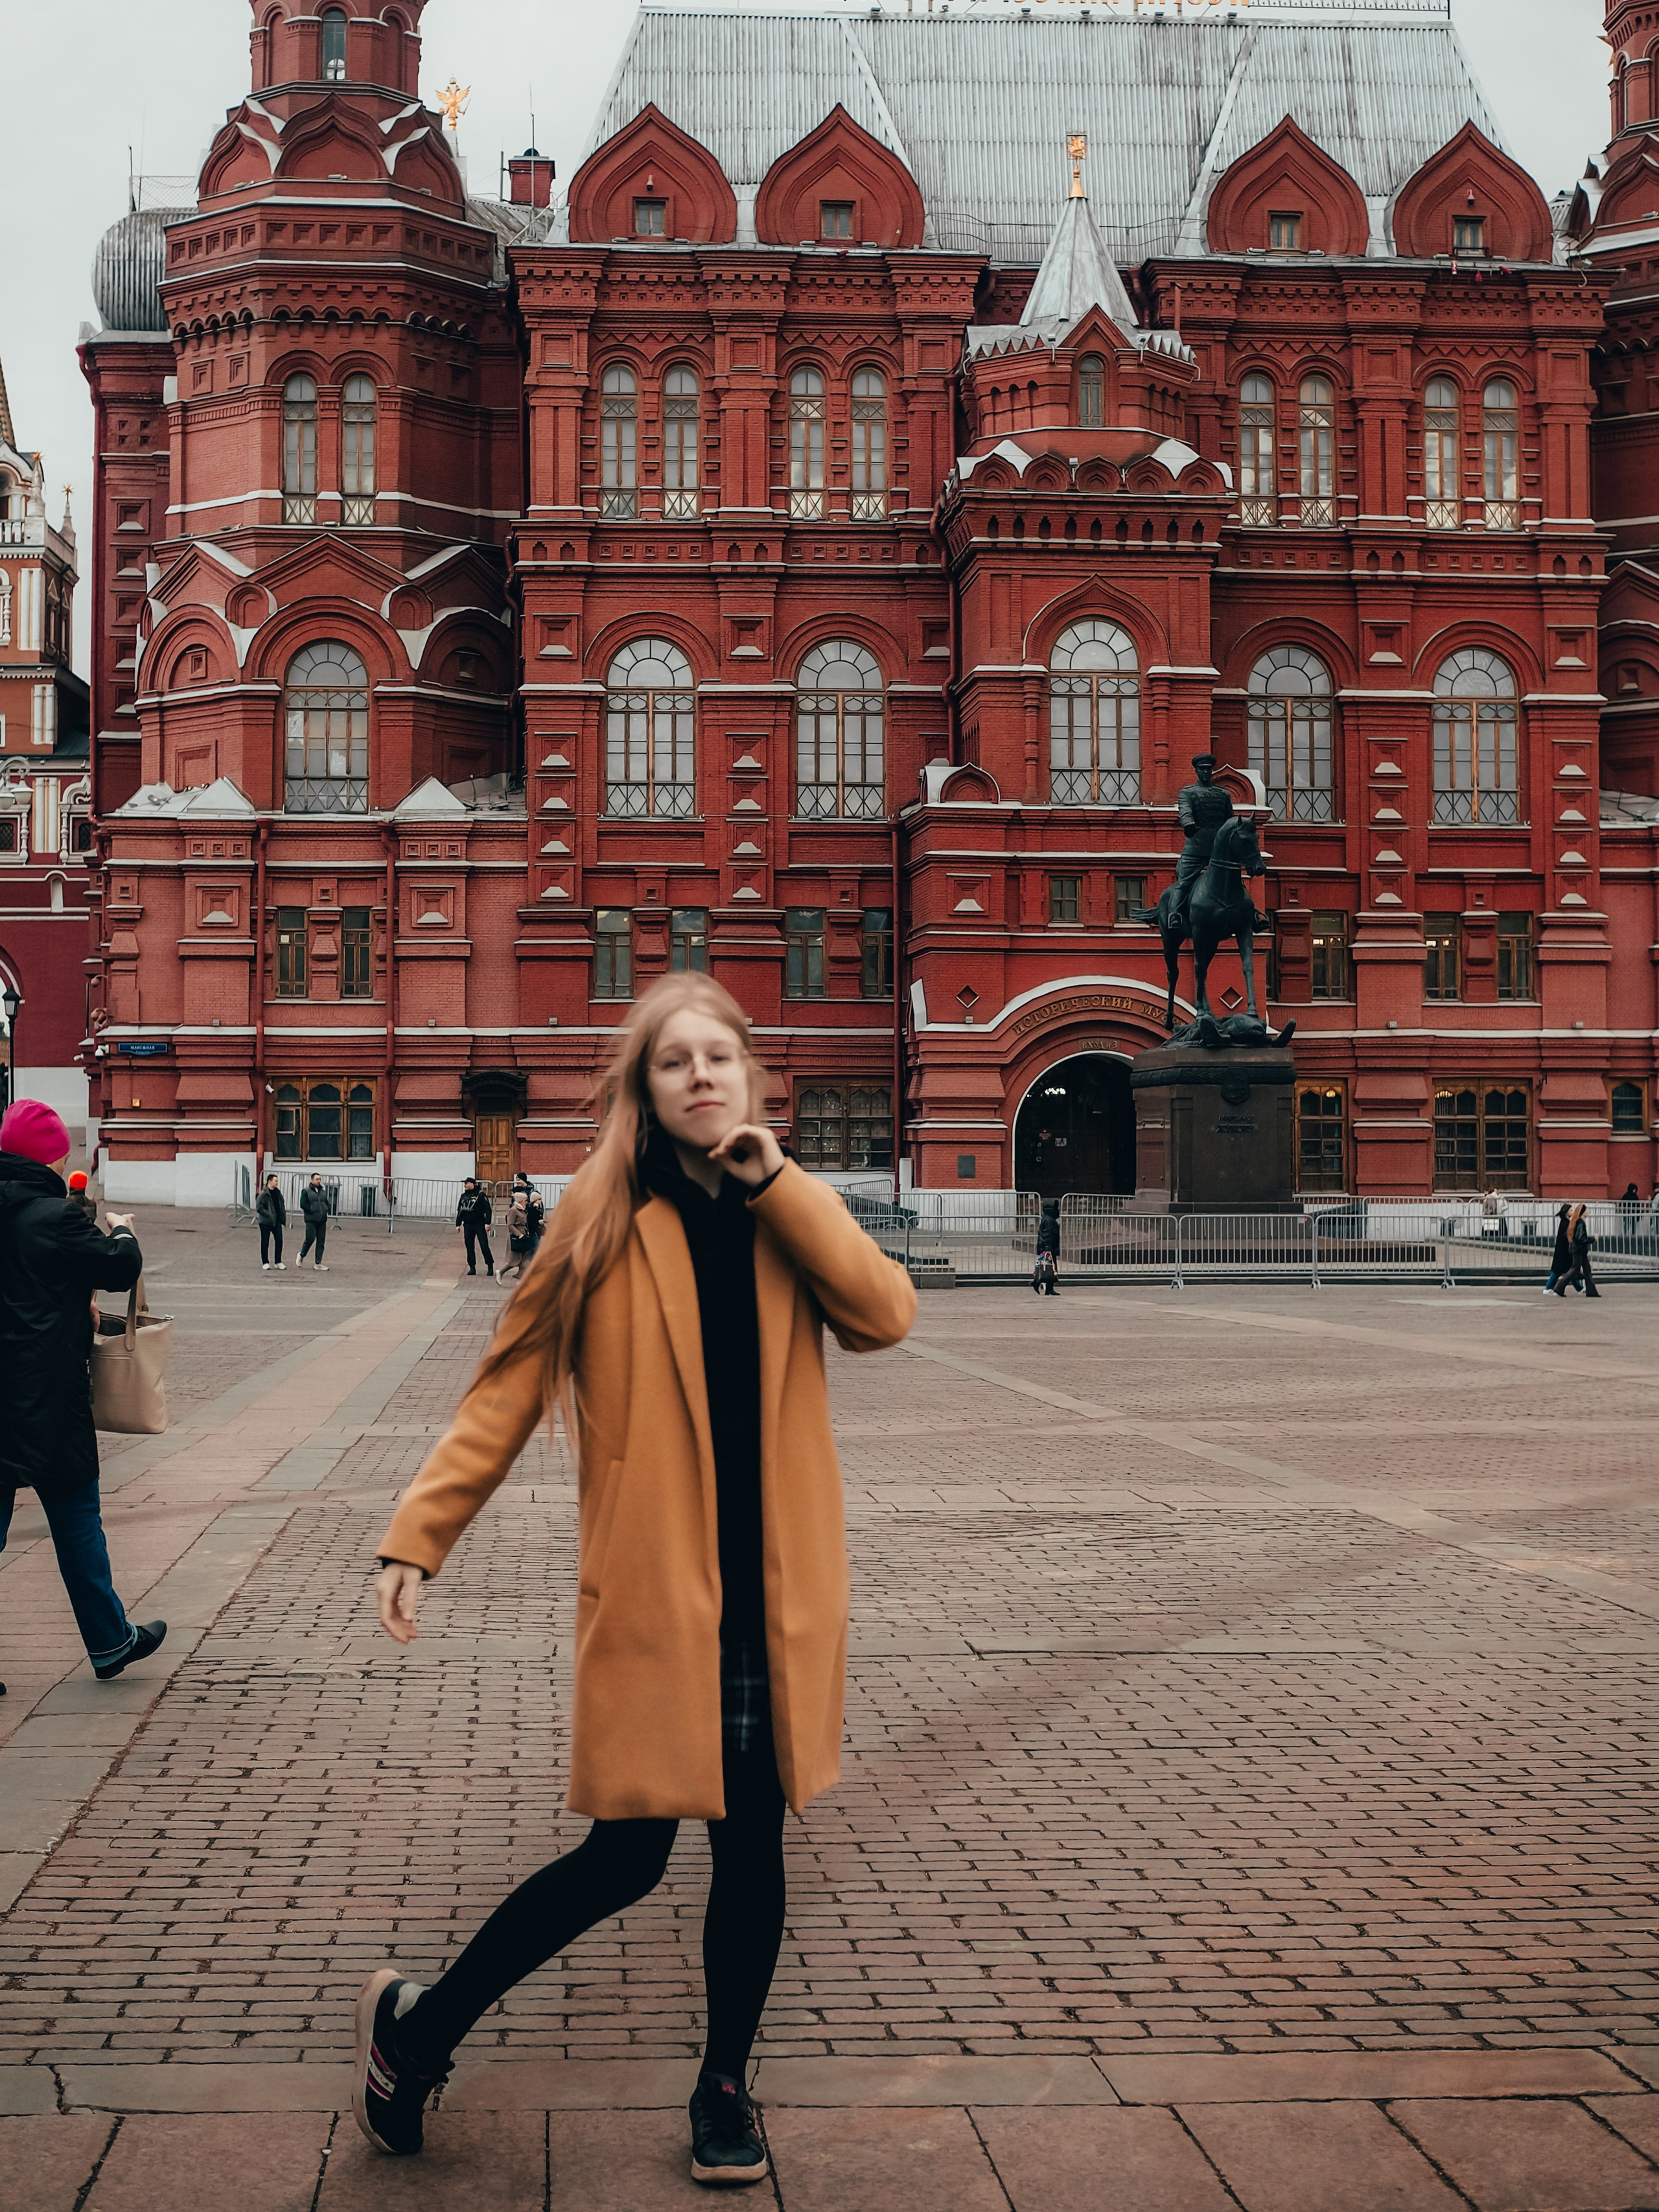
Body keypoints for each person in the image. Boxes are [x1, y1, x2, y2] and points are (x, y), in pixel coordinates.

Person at [354, 973, 916, 2182]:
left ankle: (724, 2085)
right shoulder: (598, 1224)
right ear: (642, 1091)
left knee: (754, 1843)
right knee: (626, 1856)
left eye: (722, 1057)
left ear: (755, 1080)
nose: (703, 1076)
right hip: (662, 1593)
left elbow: (886, 1314)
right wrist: (418, 1533)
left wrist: (780, 1182)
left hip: (775, 1594)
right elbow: (506, 1388)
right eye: (677, 1062)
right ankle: (421, 2030)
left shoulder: (788, 1209)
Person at [0, 1099, 167, 1688]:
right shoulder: (56, 1216)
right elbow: (118, 1267)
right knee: (76, 1525)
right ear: (53, 1155)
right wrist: (121, 1229)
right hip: (48, 1400)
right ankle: (109, 1641)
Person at [1168, 753, 1236, 934]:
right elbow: (1185, 812)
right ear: (1197, 771)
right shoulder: (1188, 792)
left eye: (1208, 769)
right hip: (1196, 847)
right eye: (1202, 769)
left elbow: (1230, 820)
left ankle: (1252, 916)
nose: (1205, 772)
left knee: (1235, 880)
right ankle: (1174, 914)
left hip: (1219, 849)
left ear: (1211, 771)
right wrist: (1188, 824)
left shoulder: (1223, 794)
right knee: (1184, 882)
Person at [1554, 1202, 1599, 1298]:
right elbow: (1581, 1239)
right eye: (1586, 1210)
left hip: (1579, 1250)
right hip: (1579, 1251)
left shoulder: (1577, 1222)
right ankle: (1559, 1287)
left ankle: (1591, 1292)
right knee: (1575, 1270)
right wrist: (1593, 1239)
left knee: (1587, 1270)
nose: (1588, 1212)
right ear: (1582, 1212)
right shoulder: (1580, 1223)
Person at [454, 1177, 494, 1277]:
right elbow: (461, 1211)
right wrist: (458, 1224)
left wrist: (487, 1223)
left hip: (479, 1224)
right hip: (468, 1224)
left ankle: (490, 1266)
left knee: (484, 1245)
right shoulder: (464, 1196)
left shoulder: (481, 1195)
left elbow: (488, 1210)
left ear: (472, 1184)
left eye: (466, 1183)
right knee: (469, 1246)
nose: (464, 1185)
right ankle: (472, 1267)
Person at [299, 1174, 331, 1270]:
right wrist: (311, 1210)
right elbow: (303, 1204)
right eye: (317, 1179)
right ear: (312, 1180)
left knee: (321, 1241)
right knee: (310, 1238)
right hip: (311, 1220)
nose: (319, 1181)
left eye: (320, 1179)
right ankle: (302, 1255)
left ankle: (318, 1263)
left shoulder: (323, 1192)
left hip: (322, 1220)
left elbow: (326, 1202)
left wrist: (327, 1209)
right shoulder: (306, 1191)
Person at [257, 1174, 287, 1270]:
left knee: (279, 1240)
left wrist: (282, 1214)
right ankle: (265, 1262)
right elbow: (259, 1208)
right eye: (276, 1181)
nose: (277, 1183)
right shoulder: (263, 1194)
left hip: (276, 1221)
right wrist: (269, 1214)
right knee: (265, 1242)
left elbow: (281, 1203)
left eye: (277, 1181)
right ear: (270, 1181)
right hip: (266, 1222)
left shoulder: (278, 1193)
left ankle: (278, 1261)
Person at [1032, 1198, 1061, 1295]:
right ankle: (1037, 1282)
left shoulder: (1048, 1219)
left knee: (1048, 1267)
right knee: (1048, 1267)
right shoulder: (1049, 1220)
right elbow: (1047, 1235)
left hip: (1048, 1247)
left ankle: (1049, 1287)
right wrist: (1048, 1248)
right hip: (1048, 1248)